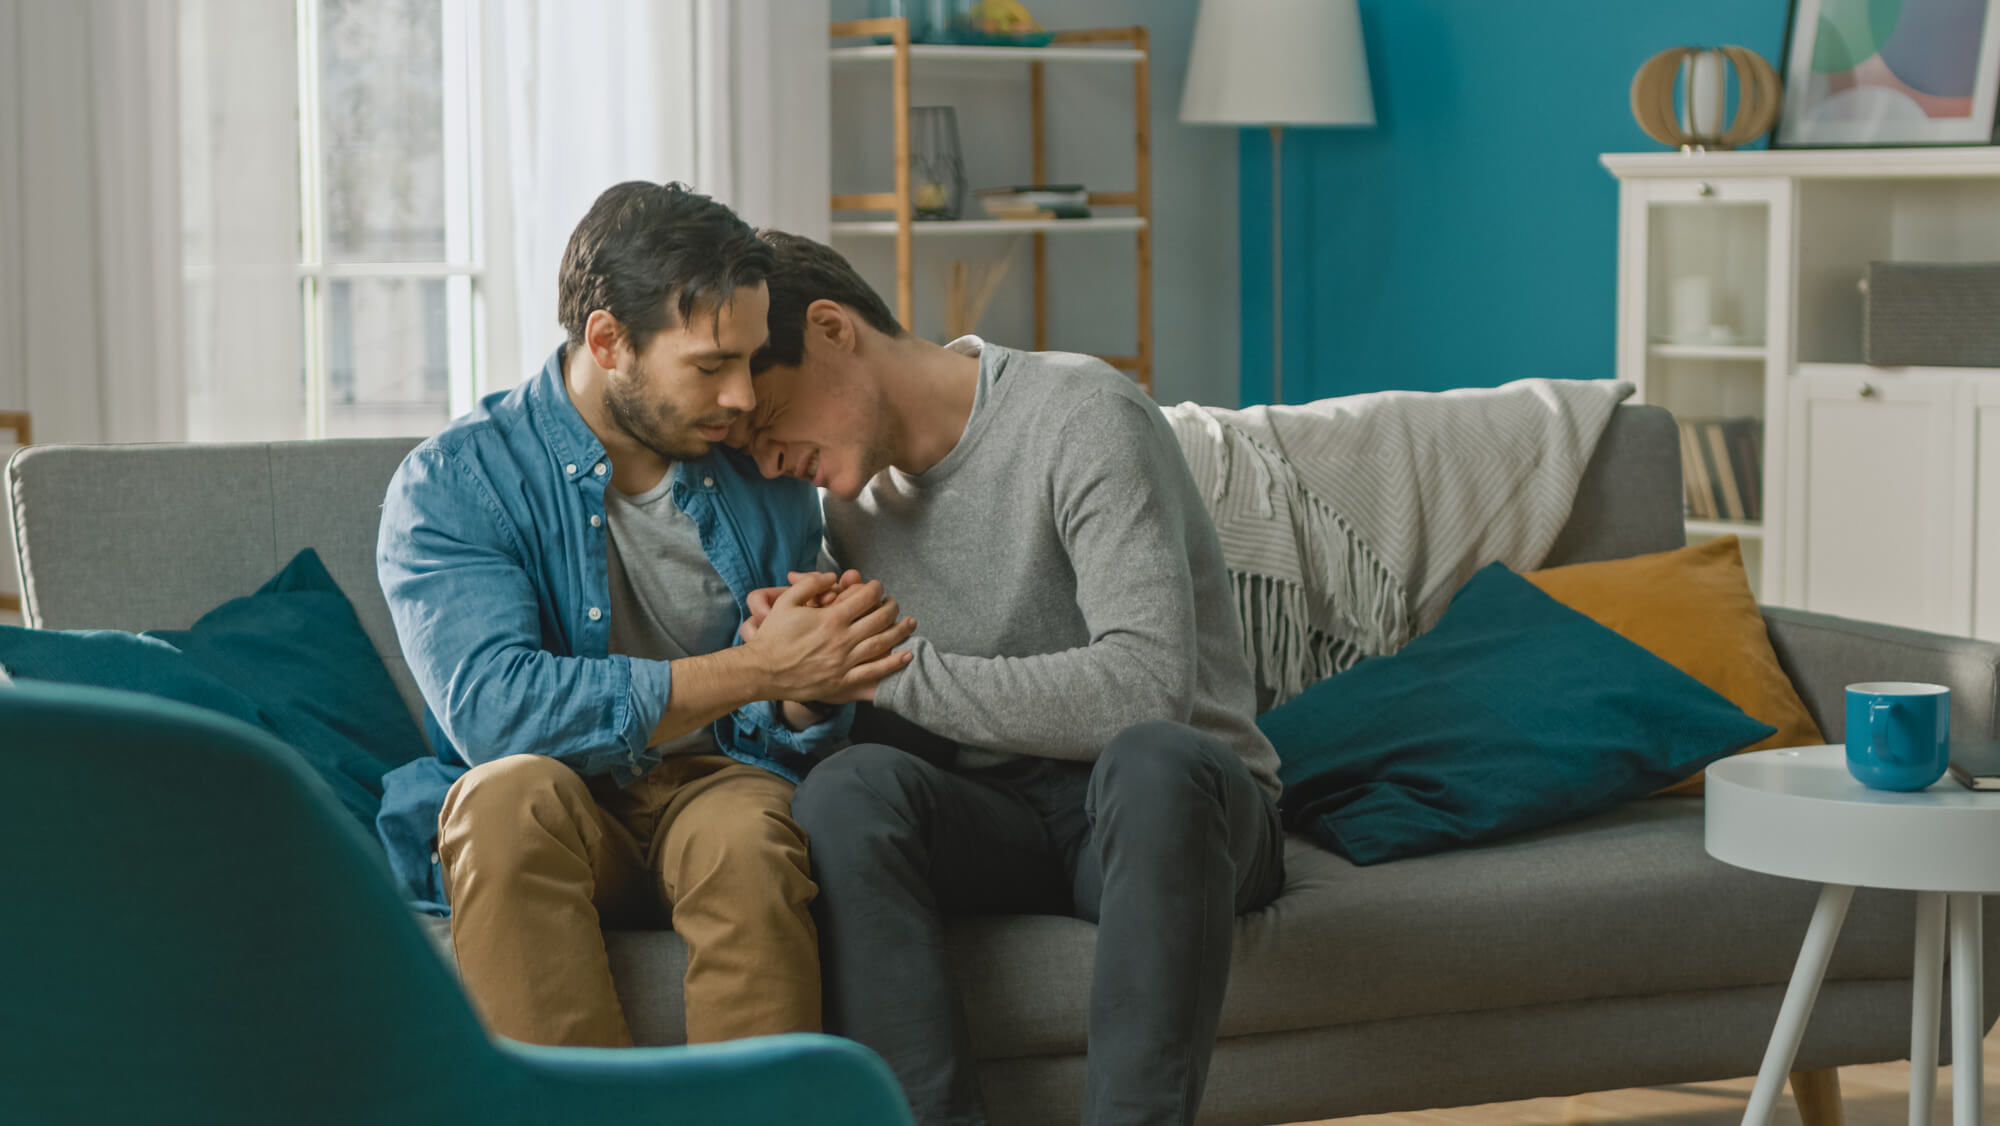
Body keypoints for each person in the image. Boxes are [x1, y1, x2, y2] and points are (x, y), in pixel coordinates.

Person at [731, 230, 1287, 1126]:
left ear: (833, 329)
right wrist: (807, 682)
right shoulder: (845, 505)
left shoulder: (1080, 414)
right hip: (1009, 818)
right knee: (846, 791)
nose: (765, 462)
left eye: (769, 421)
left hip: (1177, 813)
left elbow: (1143, 690)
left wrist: (881, 669)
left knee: (1151, 760)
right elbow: (862, 707)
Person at [374, 184, 914, 1049]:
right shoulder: (454, 484)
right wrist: (759, 670)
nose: (742, 397)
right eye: (710, 366)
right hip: (556, 799)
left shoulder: (758, 470)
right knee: (504, 801)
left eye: (746, 359)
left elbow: (792, 727)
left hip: (715, 784)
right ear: (607, 341)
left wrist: (809, 686)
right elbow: (495, 715)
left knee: (751, 831)